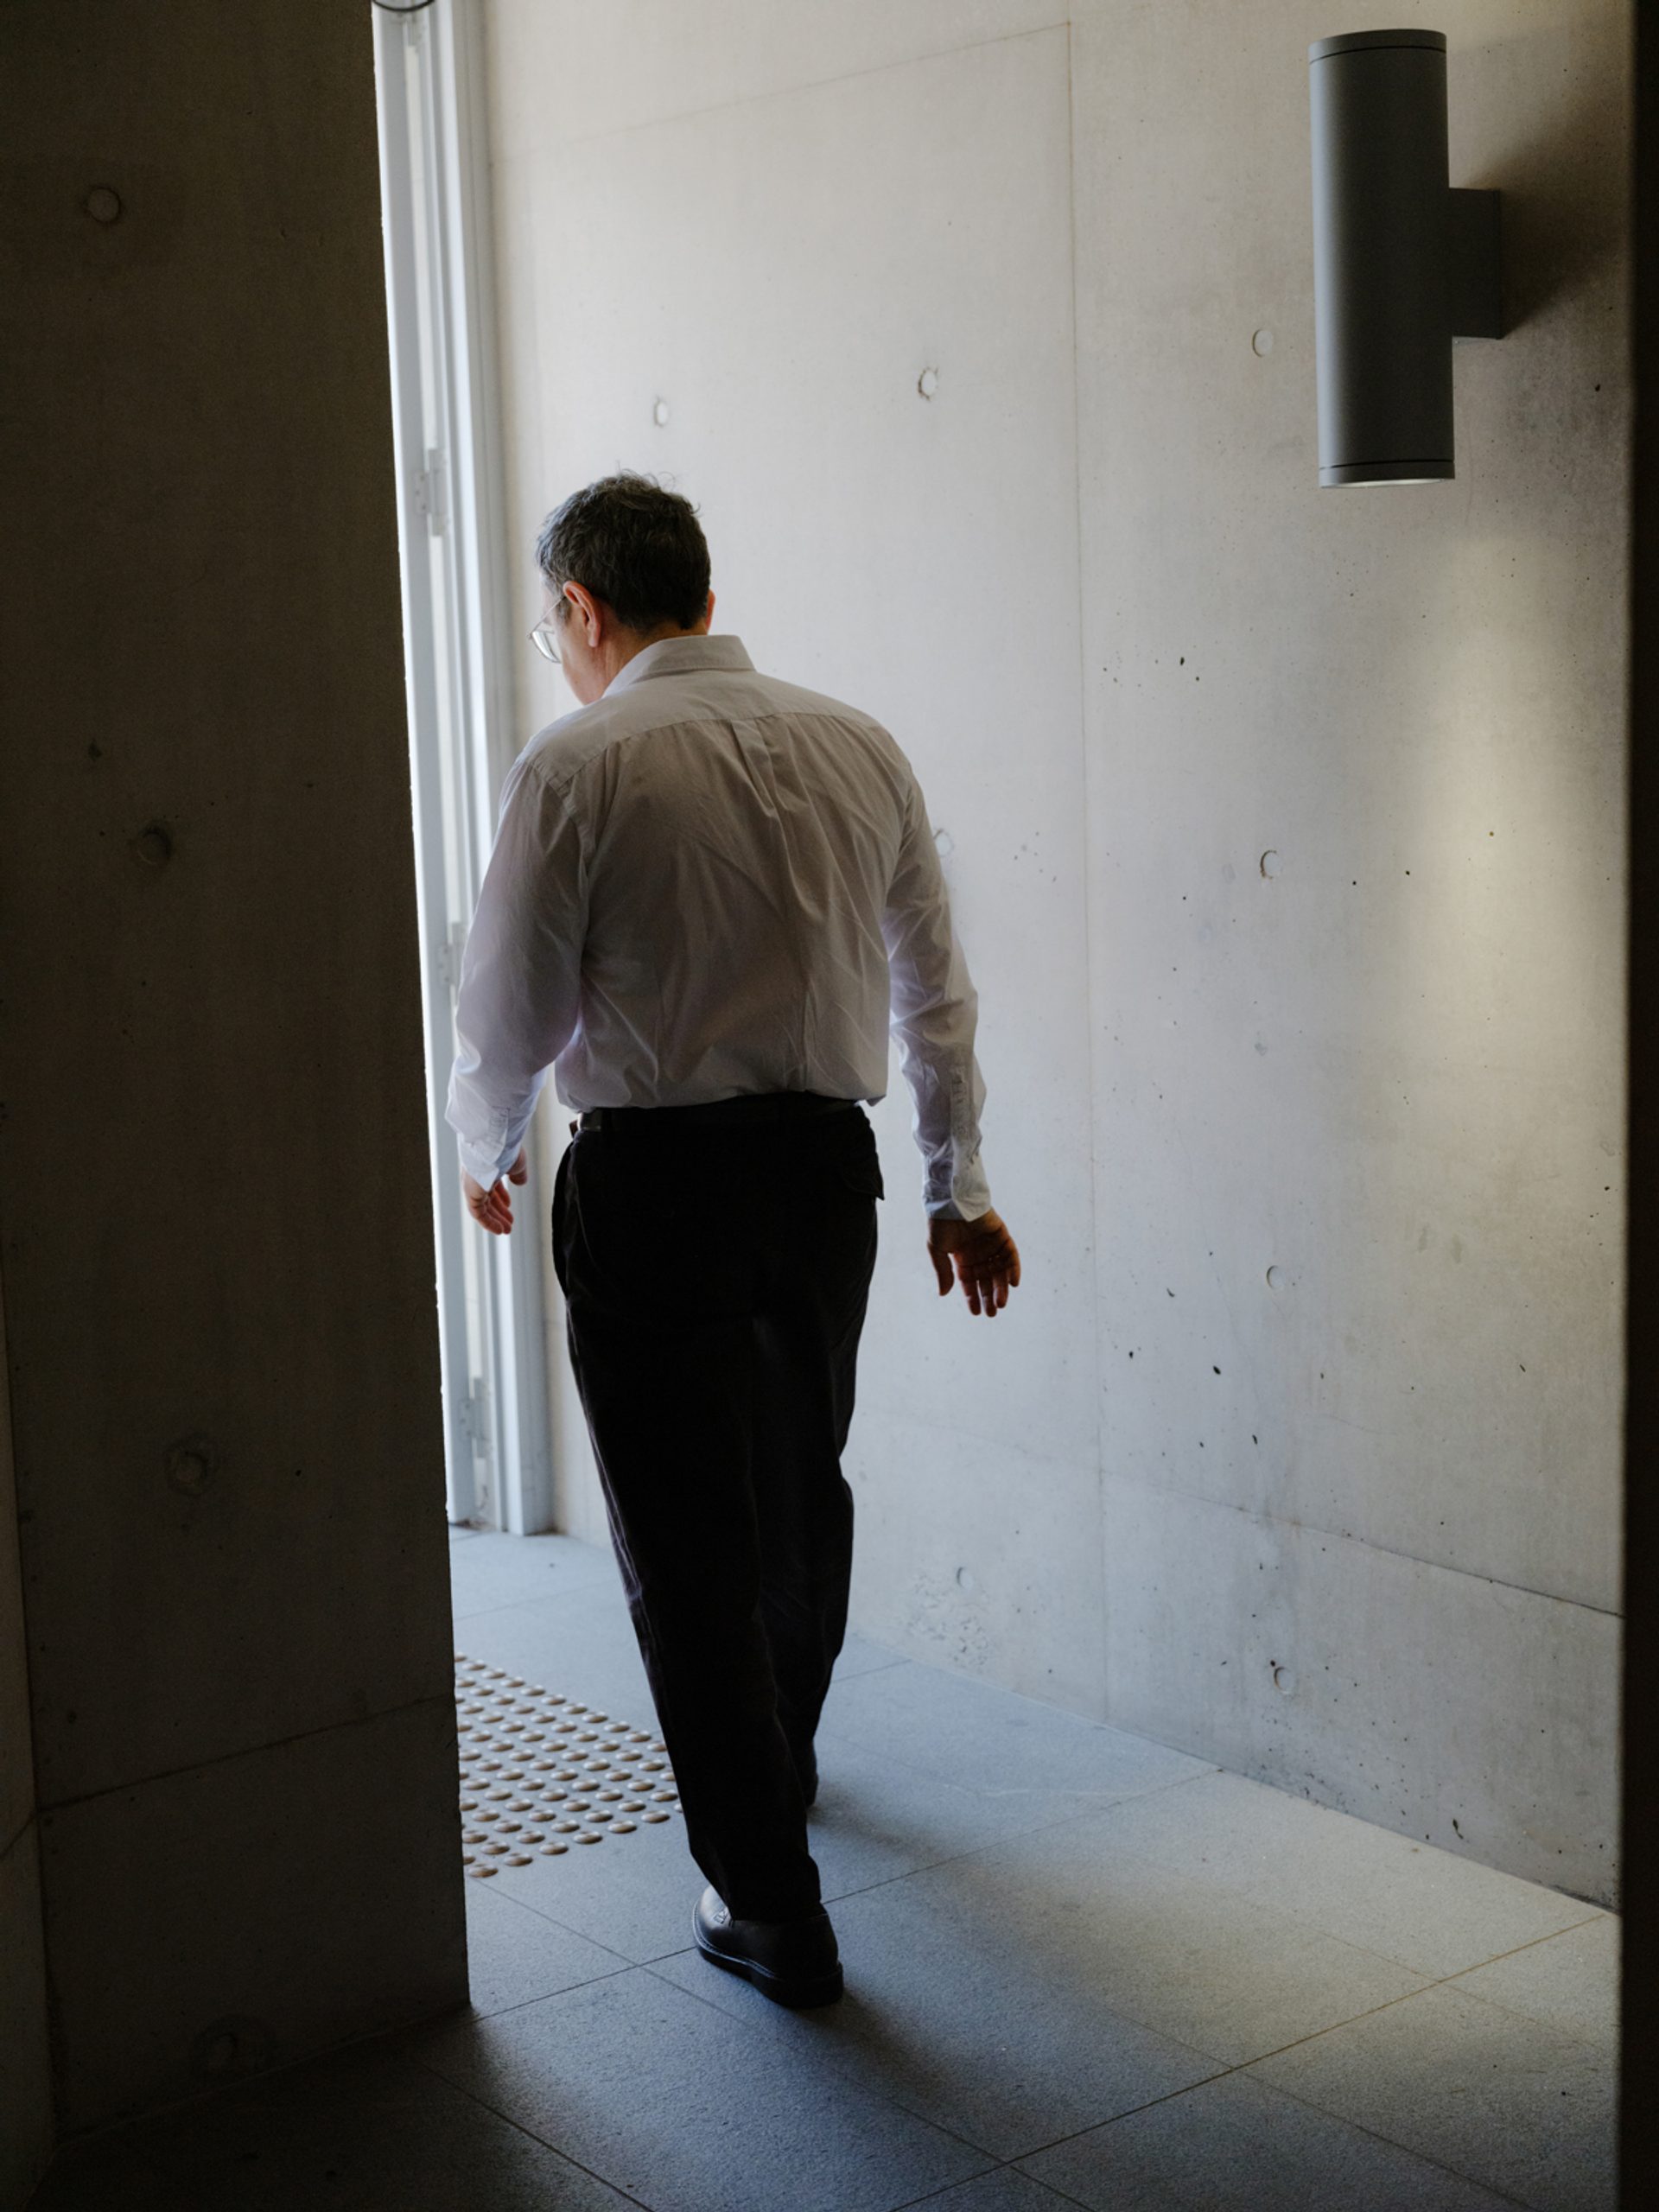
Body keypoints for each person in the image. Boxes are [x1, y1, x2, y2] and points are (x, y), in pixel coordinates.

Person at [443, 471, 1021, 2007]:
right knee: (795, 1492)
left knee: (682, 1546)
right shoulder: (858, 743)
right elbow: (935, 995)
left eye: (553, 623)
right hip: (826, 1181)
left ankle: (768, 1904)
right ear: (703, 593)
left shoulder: (575, 764)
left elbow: (511, 1008)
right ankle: (778, 1763)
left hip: (656, 1187)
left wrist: (486, 1147)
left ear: (583, 609)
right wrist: (959, 1187)